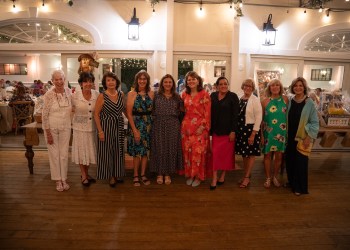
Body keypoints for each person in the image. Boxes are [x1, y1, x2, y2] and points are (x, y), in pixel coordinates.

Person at [285, 77, 319, 196]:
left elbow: (314, 122)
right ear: (292, 87)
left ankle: (300, 187)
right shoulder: (290, 100)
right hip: (289, 136)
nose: (298, 88)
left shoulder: (309, 102)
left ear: (304, 87)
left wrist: (309, 137)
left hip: (302, 137)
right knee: (290, 161)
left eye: (300, 85)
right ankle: (291, 182)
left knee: (301, 162)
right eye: (295, 85)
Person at [150, 74, 183, 185]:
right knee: (159, 148)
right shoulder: (156, 95)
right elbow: (152, 110)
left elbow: (182, 111)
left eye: (170, 82)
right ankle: (159, 173)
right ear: (162, 83)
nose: (168, 84)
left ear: (173, 84)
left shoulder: (177, 97)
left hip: (173, 124)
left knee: (171, 149)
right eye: (165, 82)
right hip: (158, 123)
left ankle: (168, 173)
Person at [42, 70, 72, 192]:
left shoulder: (69, 92)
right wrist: (48, 133)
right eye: (56, 79)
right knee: (54, 155)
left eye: (61, 79)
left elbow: (73, 108)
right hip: (51, 128)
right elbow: (44, 115)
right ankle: (57, 180)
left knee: (64, 154)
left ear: (64, 80)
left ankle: (64, 178)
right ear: (52, 81)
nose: (59, 82)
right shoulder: (48, 94)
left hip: (66, 127)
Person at [94, 72, 125, 187]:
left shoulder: (121, 94)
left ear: (116, 82)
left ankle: (117, 173)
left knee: (118, 151)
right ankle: (111, 176)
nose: (111, 82)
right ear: (105, 83)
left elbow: (124, 110)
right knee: (107, 152)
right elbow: (96, 114)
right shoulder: (102, 96)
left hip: (119, 126)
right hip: (106, 127)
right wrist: (100, 131)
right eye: (108, 80)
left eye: (113, 80)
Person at [181, 71, 211, 187]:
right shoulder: (184, 94)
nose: (191, 81)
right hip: (186, 128)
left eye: (193, 79)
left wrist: (203, 126)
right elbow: (182, 110)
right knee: (188, 152)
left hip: (200, 128)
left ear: (198, 81)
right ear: (186, 82)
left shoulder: (204, 94)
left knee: (198, 153)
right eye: (189, 79)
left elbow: (207, 113)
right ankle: (190, 174)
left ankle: (198, 176)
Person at [209, 76, 239, 190]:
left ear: (228, 85)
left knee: (226, 156)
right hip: (216, 131)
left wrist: (233, 131)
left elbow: (235, 115)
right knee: (215, 155)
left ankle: (223, 175)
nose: (223, 86)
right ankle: (214, 178)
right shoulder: (212, 96)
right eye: (220, 84)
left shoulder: (233, 96)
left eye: (225, 84)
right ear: (217, 86)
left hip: (228, 132)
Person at [126, 70, 154, 186]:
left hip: (148, 126)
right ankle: (135, 175)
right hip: (136, 125)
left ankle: (143, 174)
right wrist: (134, 130)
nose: (142, 81)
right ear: (137, 80)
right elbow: (128, 113)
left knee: (145, 152)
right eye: (140, 79)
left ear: (147, 81)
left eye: (144, 79)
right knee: (137, 152)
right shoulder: (131, 94)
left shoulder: (151, 94)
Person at [71, 72, 99, 187]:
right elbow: (70, 110)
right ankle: (83, 175)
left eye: (90, 81)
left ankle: (86, 174)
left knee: (89, 152)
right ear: (81, 83)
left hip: (92, 128)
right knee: (82, 152)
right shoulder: (75, 95)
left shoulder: (96, 94)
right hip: (79, 129)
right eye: (85, 81)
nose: (88, 83)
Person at [261, 79, 288, 188]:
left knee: (279, 156)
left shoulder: (286, 100)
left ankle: (275, 177)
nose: (275, 87)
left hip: (281, 132)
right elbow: (261, 120)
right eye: (272, 85)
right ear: (269, 88)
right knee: (267, 156)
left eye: (277, 85)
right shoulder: (264, 102)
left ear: (280, 87)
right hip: (268, 132)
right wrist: (261, 135)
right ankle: (268, 178)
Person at [235, 78, 262, 188]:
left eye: (249, 86)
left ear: (252, 88)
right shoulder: (240, 98)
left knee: (250, 154)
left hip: (251, 130)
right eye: (245, 86)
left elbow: (259, 117)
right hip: (241, 130)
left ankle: (246, 177)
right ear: (243, 87)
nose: (247, 88)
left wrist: (253, 134)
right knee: (244, 154)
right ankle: (247, 175)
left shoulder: (255, 100)